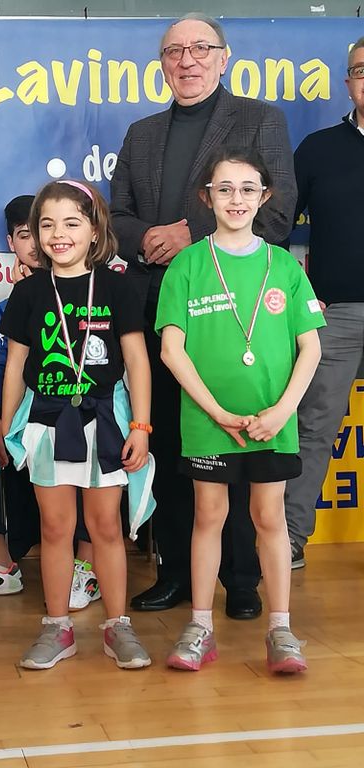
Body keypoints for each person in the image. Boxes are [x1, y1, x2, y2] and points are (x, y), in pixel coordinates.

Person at [110, 12, 297, 618]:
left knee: (239, 447)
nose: (186, 60)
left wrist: (188, 232)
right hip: (161, 311)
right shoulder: (141, 133)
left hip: (240, 321)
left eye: (199, 48)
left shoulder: (260, 120)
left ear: (223, 57)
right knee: (171, 442)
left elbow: (278, 214)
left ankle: (241, 580)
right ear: (162, 63)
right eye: (173, 51)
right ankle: (175, 573)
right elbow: (117, 216)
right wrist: (148, 240)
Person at [157, 146, 324, 673]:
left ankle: (281, 630)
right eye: (224, 189)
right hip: (208, 421)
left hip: (273, 422)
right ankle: (200, 627)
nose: (236, 199)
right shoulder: (187, 264)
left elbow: (311, 347)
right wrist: (215, 412)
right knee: (208, 516)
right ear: (206, 197)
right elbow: (172, 350)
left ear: (265, 196)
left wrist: (282, 411)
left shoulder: (284, 266)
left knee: (269, 517)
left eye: (248, 189)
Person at [0, 179, 154, 670]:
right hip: (46, 422)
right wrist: (8, 428)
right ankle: (57, 627)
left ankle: (117, 626)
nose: (58, 234)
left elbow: (137, 361)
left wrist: (142, 426)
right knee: (55, 526)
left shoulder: (117, 286)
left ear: (94, 230)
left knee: (106, 525)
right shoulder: (28, 292)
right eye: (47, 225)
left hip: (106, 420)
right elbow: (15, 365)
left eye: (71, 223)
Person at [0, 196, 101, 611]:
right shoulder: (8, 307)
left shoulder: (94, 292)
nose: (39, 242)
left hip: (73, 413)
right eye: (26, 234)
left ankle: (86, 566)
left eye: (48, 229)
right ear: (12, 243)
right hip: (19, 419)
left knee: (92, 437)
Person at [284, 37, 364, 569]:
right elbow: (282, 228)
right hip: (337, 312)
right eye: (361, 70)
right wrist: (301, 294)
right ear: (348, 82)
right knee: (313, 425)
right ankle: (289, 538)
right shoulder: (317, 149)